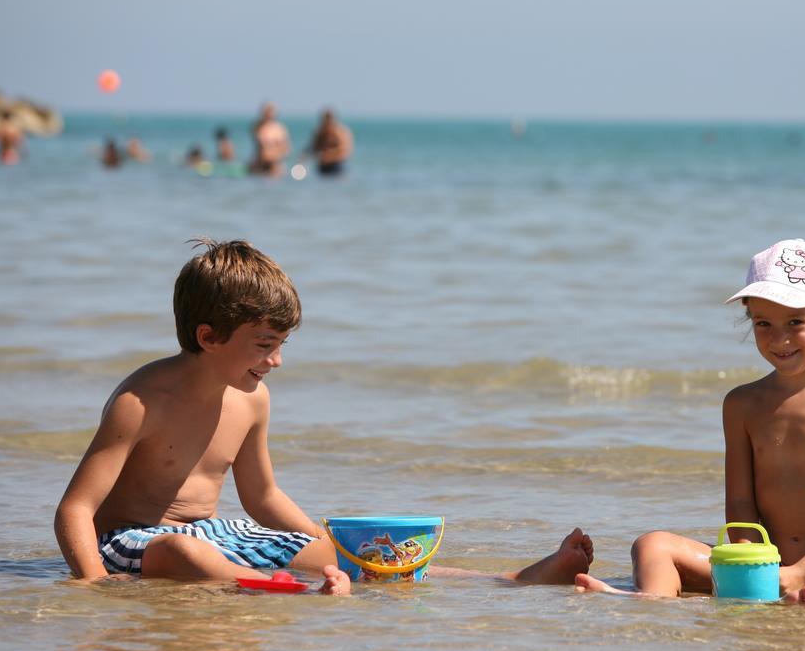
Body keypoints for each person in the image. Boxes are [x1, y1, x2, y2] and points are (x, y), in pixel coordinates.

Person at [54, 238, 593, 594]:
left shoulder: (251, 399)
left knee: (336, 555)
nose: (277, 361)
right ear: (208, 337)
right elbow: (76, 510)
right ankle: (287, 592)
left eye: (281, 344)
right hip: (134, 541)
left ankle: (514, 579)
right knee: (181, 552)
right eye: (264, 345)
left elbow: (262, 497)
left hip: (215, 534)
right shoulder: (142, 402)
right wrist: (94, 586)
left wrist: (326, 548)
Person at [576, 239, 805, 604]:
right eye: (763, 323)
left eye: (795, 322)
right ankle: (653, 601)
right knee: (652, 545)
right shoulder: (742, 403)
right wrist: (751, 564)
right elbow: (741, 501)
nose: (780, 338)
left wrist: (801, 572)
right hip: (761, 564)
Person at [306, 108, 354, 176]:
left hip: (337, 165)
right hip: (323, 165)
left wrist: (329, 155)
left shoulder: (340, 132)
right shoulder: (320, 132)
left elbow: (346, 150)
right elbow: (314, 147)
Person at [248, 102, 290, 177]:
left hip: (275, 164)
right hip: (260, 163)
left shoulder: (279, 129)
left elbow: (286, 149)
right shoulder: (258, 127)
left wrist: (274, 152)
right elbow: (261, 145)